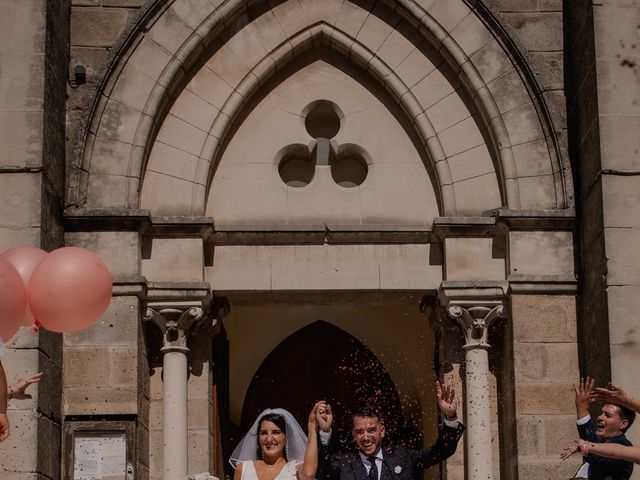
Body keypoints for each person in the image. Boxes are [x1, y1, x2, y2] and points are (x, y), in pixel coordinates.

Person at [316, 381, 465, 480]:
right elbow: (320, 470)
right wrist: (325, 432)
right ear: (354, 435)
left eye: (371, 430)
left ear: (382, 431)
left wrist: (450, 416)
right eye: (360, 432)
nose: (366, 437)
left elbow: (440, 452)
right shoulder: (343, 464)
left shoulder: (402, 457)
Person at [230, 403, 320, 480]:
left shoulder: (294, 470)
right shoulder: (243, 469)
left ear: (286, 437)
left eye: (276, 432)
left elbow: (309, 474)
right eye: (264, 433)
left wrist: (312, 430)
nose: (269, 439)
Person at [568, 377, 635, 479]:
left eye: (608, 415)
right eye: (601, 413)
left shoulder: (624, 445)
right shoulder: (601, 443)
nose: (600, 417)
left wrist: (582, 409)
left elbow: (594, 454)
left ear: (623, 424)